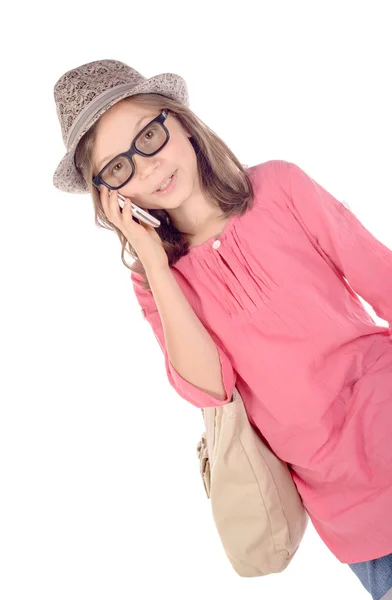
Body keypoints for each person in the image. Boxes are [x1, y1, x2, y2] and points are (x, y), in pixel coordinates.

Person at [52, 59, 392, 600]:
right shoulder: (157, 286)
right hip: (345, 503)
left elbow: (383, 280)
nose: (146, 167)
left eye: (149, 136)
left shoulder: (280, 186)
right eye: (118, 168)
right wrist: (155, 265)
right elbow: (211, 389)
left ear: (181, 122)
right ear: (109, 196)